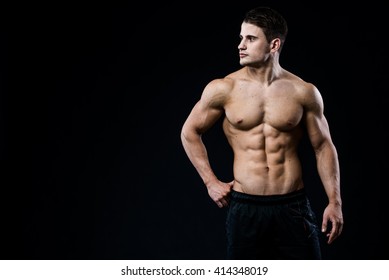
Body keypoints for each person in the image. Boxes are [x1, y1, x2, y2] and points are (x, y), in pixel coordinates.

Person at [180, 6, 343, 259]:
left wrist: (335, 202)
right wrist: (211, 182)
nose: (240, 45)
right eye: (241, 38)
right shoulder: (224, 88)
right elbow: (189, 132)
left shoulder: (303, 92)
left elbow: (323, 146)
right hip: (246, 209)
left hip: (292, 207)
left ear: (274, 44)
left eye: (251, 38)